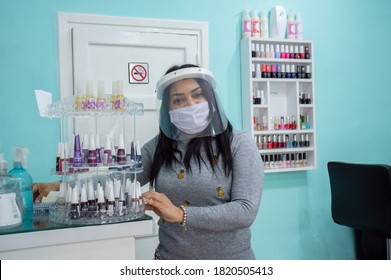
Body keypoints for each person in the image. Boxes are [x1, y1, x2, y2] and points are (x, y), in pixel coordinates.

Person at [33, 64, 264, 260]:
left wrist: (180, 213)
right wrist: (63, 186)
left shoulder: (239, 144)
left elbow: (245, 211)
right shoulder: (160, 147)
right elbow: (120, 180)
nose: (190, 104)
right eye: (178, 99)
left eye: (197, 94)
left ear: (210, 98)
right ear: (168, 108)